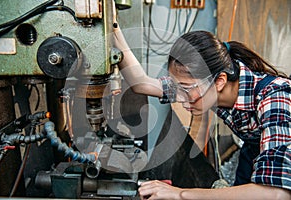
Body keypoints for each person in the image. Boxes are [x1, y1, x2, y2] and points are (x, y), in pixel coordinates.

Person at [112, 13, 291, 200]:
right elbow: (142, 83)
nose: (180, 98)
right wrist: (113, 28)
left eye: (186, 89)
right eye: (177, 87)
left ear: (220, 81)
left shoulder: (275, 99)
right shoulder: (211, 86)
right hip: (254, 152)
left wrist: (179, 194)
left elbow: (277, 194)